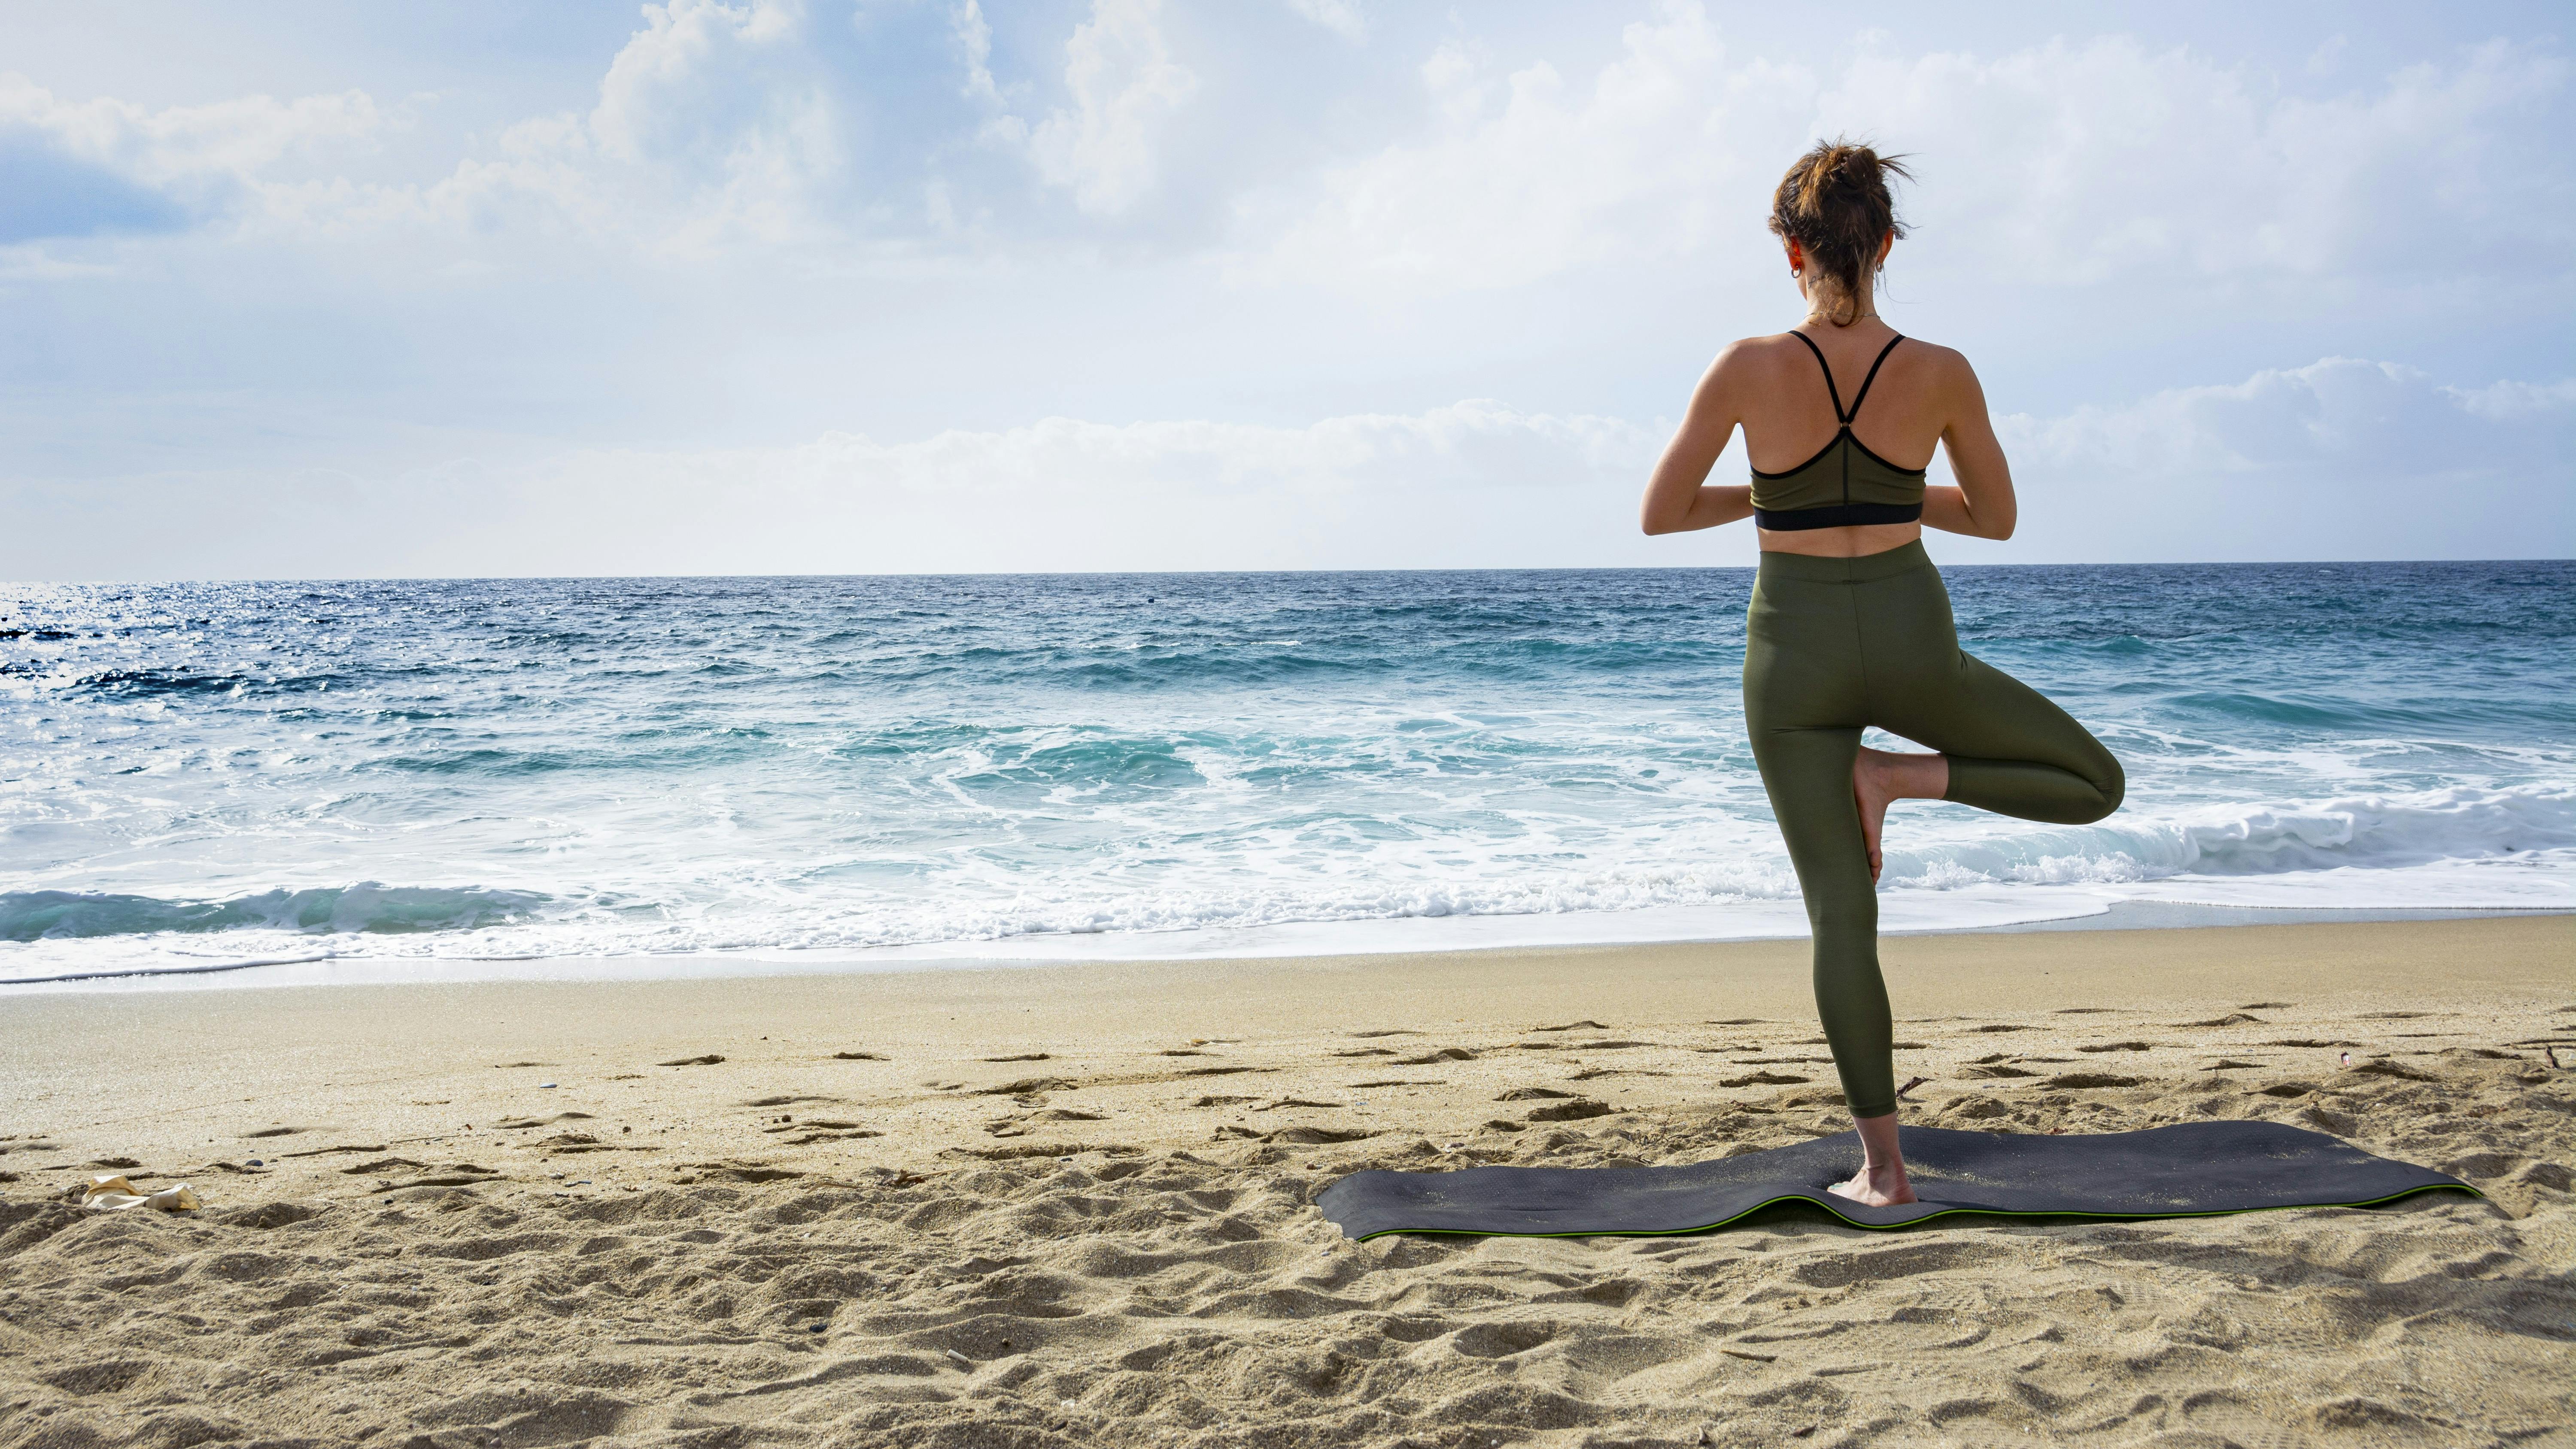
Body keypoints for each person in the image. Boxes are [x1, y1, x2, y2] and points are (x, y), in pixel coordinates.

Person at [1637, 140, 2124, 1206]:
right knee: (2099, 785)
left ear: (1792, 248)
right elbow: (1994, 519)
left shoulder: (1745, 367)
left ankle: (1886, 1169)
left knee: (1841, 919)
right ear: (1888, 244)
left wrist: (1779, 493)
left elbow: (1661, 513)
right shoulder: (1941, 372)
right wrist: (1891, 495)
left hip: (1793, 666)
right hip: (1912, 646)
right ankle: (1902, 777)